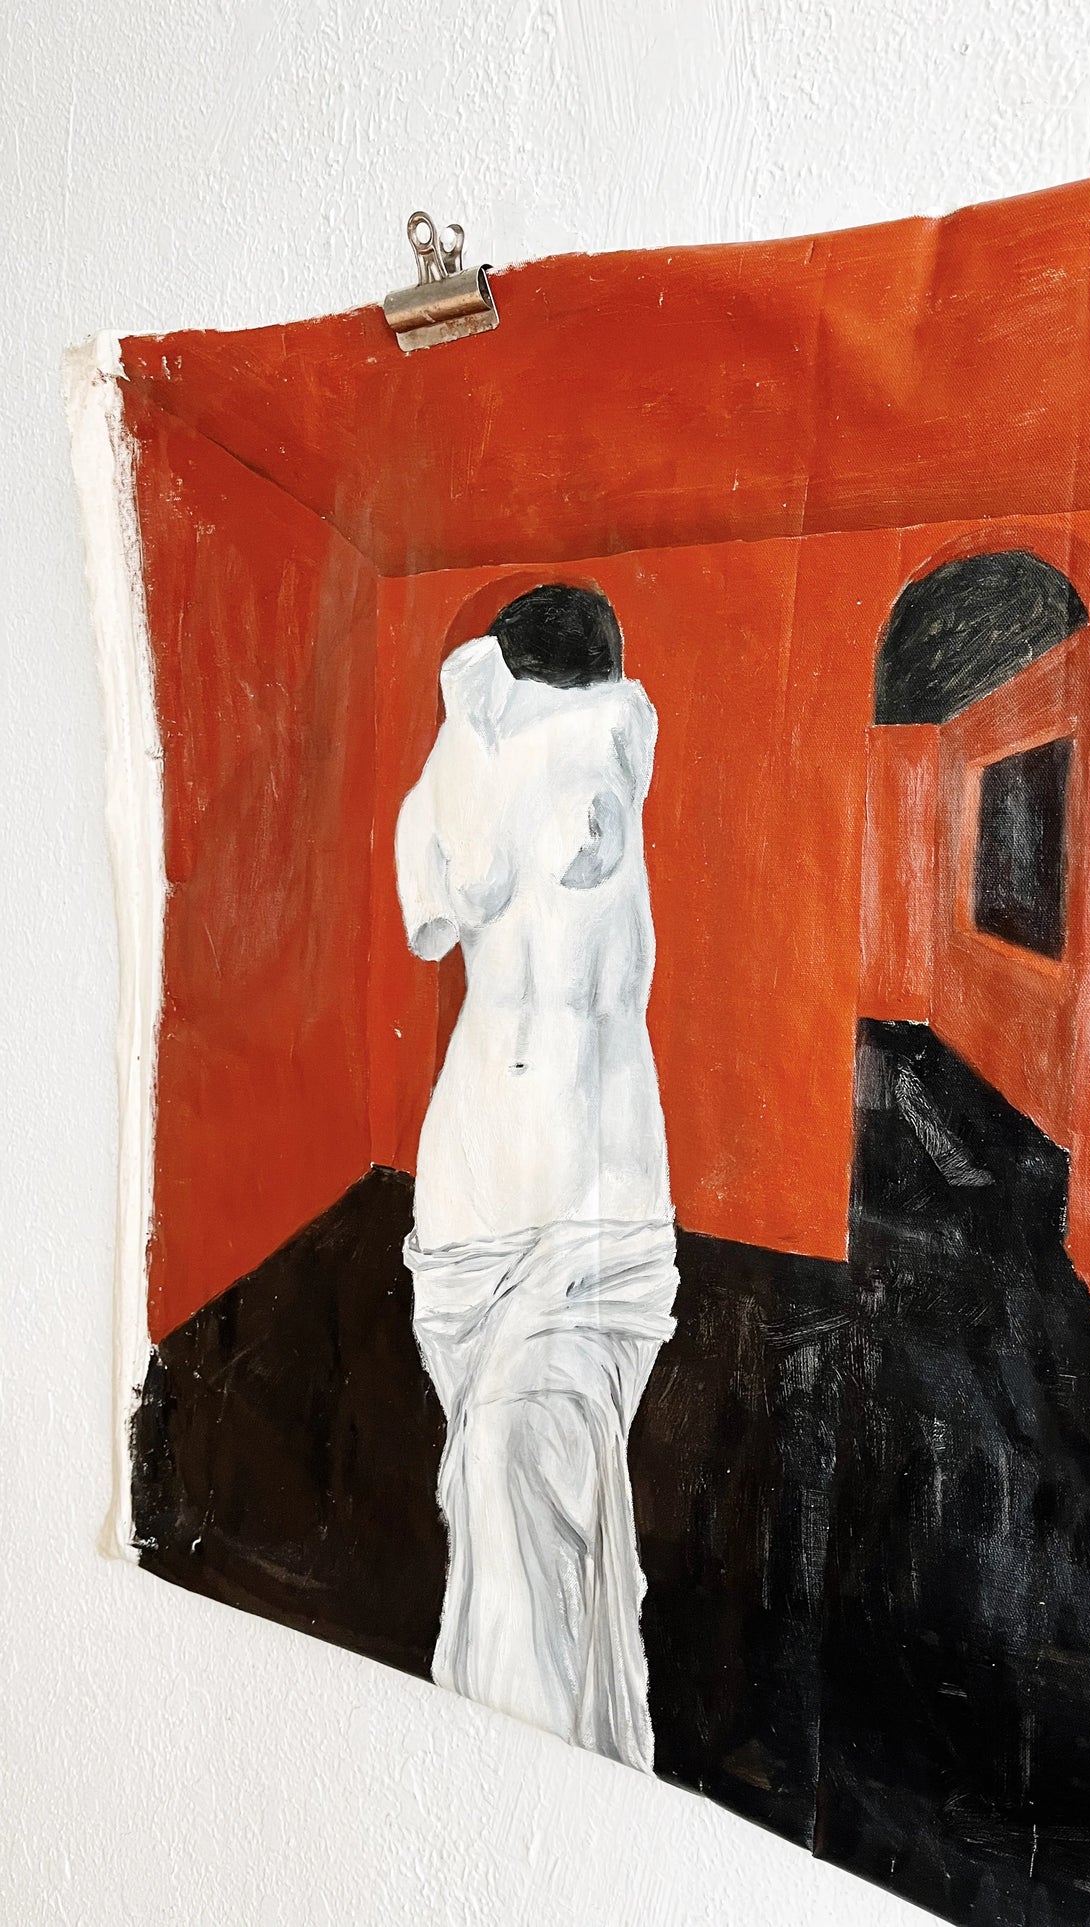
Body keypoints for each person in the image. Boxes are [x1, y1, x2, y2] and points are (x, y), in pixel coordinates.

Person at [395, 583, 676, 1772]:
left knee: (512, 1471)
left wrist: (479, 708)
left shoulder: (604, 755)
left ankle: (533, 1785)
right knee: (499, 1500)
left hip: (593, 1223)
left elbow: (584, 811)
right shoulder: (473, 767)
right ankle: (529, 1781)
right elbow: (441, 902)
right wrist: (471, 721)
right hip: (470, 1216)